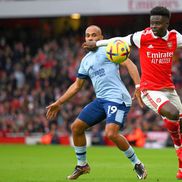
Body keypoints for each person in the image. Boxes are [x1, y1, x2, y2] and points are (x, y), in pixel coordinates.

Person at [83, 6, 182, 179]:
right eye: (152, 23)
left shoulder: (175, 37)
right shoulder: (142, 37)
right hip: (149, 89)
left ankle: (181, 168)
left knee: (179, 125)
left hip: (169, 89)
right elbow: (119, 40)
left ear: (167, 23)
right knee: (172, 113)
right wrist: (96, 43)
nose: (154, 26)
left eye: (158, 23)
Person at [46, 25, 147, 180]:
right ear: (85, 39)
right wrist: (59, 102)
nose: (91, 38)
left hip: (117, 99)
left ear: (101, 38)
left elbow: (129, 64)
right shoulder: (85, 61)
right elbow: (77, 86)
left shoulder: (109, 48)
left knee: (111, 133)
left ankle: (137, 163)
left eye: (94, 35)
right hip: (101, 100)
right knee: (76, 127)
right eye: (88, 36)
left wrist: (138, 86)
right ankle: (82, 165)